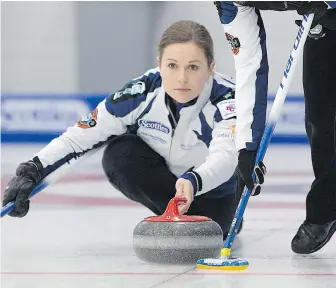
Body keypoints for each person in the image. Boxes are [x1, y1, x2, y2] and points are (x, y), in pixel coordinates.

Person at [2, 20, 266, 239]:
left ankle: (214, 220)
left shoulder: (229, 100)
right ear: (159, 64)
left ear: (211, 68)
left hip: (214, 193)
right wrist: (32, 171)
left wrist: (194, 180)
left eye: (193, 67)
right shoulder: (141, 91)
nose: (181, 78)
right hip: (169, 187)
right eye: (172, 66)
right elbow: (80, 138)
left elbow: (225, 158)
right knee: (119, 154)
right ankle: (173, 215)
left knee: (217, 222)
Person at [214, 1, 336, 253]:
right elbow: (249, 65)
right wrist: (246, 149)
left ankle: (323, 207)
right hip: (324, 24)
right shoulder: (230, 4)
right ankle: (327, 208)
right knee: (320, 122)